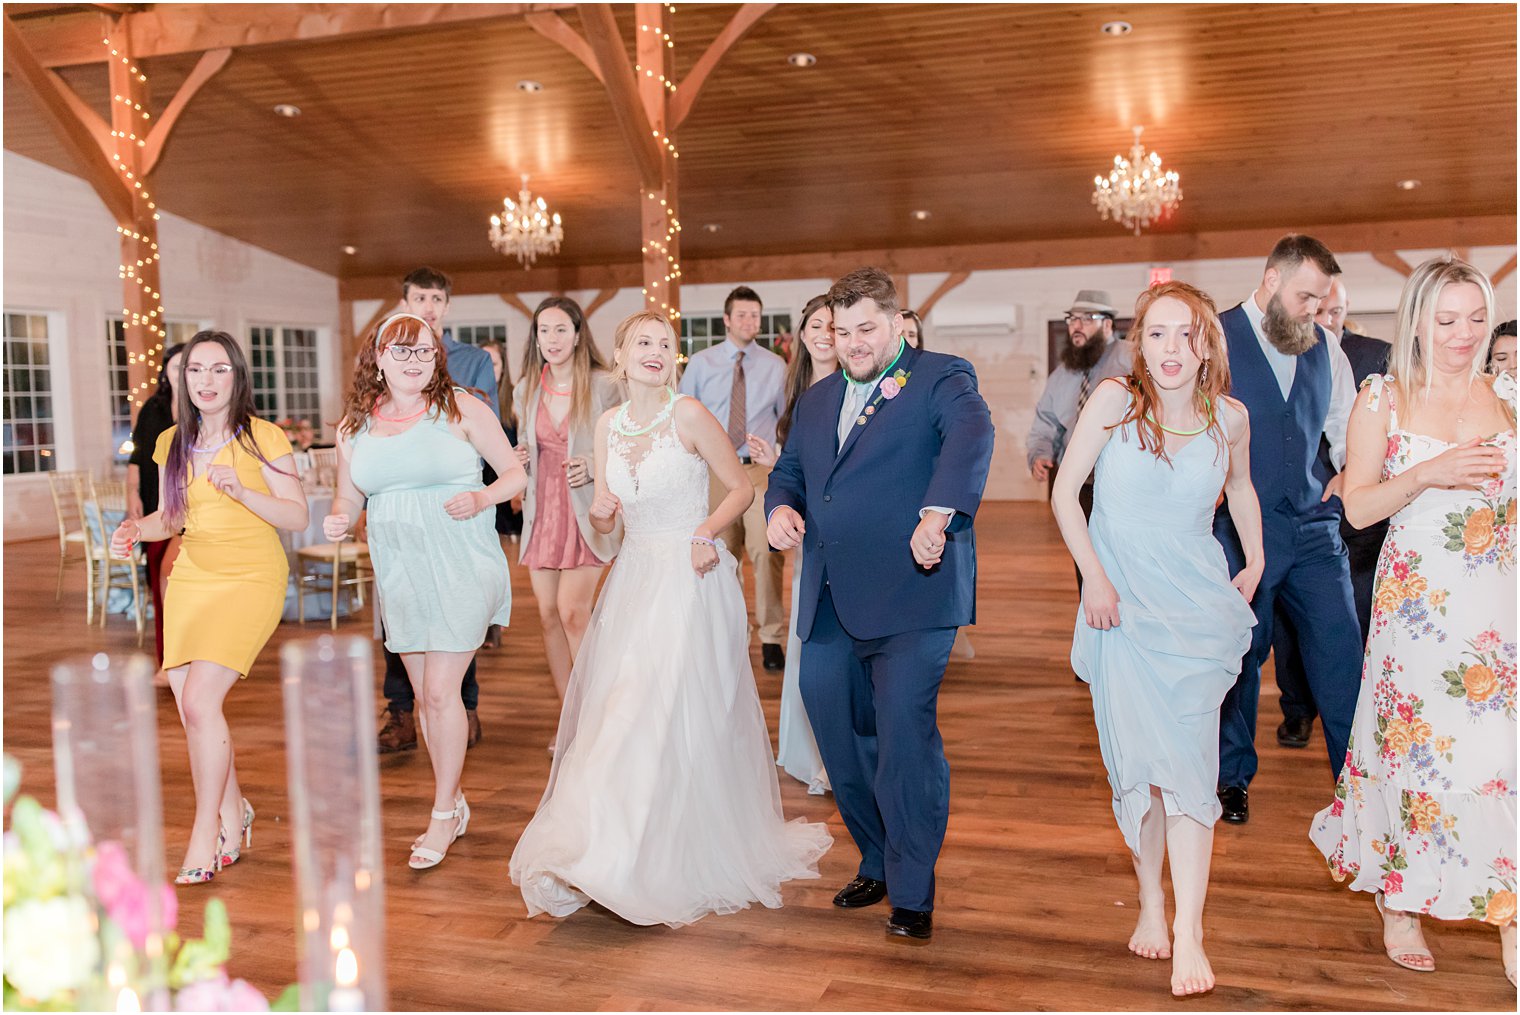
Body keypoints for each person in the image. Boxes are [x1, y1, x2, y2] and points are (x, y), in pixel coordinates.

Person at [510, 310, 831, 926]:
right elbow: (606, 522)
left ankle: (642, 854)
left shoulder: (688, 414)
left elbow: (740, 488)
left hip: (692, 578)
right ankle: (596, 851)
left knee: (667, 714)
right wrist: (600, 511)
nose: (656, 351)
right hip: (633, 578)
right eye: (644, 343)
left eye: (665, 343)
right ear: (622, 356)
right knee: (622, 710)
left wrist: (706, 532)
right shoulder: (607, 424)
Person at [766, 267, 995, 941]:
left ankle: (913, 890)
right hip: (833, 596)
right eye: (843, 331)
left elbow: (969, 438)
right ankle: (876, 853)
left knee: (903, 735)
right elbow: (791, 473)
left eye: (868, 328)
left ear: (897, 323)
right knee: (832, 723)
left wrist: (939, 513)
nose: (855, 342)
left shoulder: (942, 375)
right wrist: (781, 508)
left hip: (913, 591)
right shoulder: (815, 399)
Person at [1310, 256, 1515, 985]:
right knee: (1415, 754)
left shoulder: (1512, 395)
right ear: (1418, 321)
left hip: (1498, 608)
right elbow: (1358, 506)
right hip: (1420, 609)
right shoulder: (1382, 398)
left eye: (1476, 319)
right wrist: (1428, 472)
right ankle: (1401, 899)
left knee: (1499, 758)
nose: (1463, 335)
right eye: (1447, 319)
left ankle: (1511, 915)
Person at [1056, 281, 1261, 998]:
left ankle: (1192, 930)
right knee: (1138, 776)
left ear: (1206, 343)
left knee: (1192, 777)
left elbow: (1240, 488)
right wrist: (1095, 579)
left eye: (1186, 334)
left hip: (1194, 614)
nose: (1172, 349)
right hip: (1121, 611)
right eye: (1158, 335)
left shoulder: (1228, 417)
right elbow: (1064, 493)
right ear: (1138, 343)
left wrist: (1256, 558)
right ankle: (1149, 898)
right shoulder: (1115, 403)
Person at [324, 313, 525, 870]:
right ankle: (452, 797)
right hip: (401, 571)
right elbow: (348, 497)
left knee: (440, 695)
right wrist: (340, 519)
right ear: (379, 358)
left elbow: (514, 475)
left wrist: (482, 499)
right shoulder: (353, 427)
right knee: (427, 698)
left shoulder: (462, 408)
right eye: (402, 351)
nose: (414, 361)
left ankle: (442, 814)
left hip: (463, 560)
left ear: (436, 358)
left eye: (424, 352)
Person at [110, 331, 309, 884]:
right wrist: (133, 530)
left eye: (219, 369)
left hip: (251, 577)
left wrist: (244, 492)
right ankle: (232, 811)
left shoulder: (262, 437)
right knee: (194, 708)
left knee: (200, 701)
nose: (206, 380)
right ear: (182, 379)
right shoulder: (172, 440)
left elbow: (296, 517)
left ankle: (205, 832)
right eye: (196, 369)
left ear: (237, 377)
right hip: (192, 576)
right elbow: (172, 518)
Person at [1212, 234, 1361, 825]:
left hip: (1314, 532)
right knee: (1239, 659)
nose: (1314, 312)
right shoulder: (1213, 338)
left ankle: (1358, 784)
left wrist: (1351, 472)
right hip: (1237, 531)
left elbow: (1346, 423)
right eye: (1305, 297)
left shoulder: (1328, 347)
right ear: (1271, 279)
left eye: (1321, 301)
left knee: (1343, 655)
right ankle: (1231, 779)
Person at [375, 267, 498, 753]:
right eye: (419, 297)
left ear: (447, 306)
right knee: (400, 613)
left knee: (456, 614)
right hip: (400, 510)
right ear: (404, 301)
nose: (428, 305)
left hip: (453, 506)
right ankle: (401, 713)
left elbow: (484, 425)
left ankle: (463, 706)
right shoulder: (388, 354)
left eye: (436, 298)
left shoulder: (470, 361)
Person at [1274, 274, 1392, 749]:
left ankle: (1355, 742)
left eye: (1335, 312)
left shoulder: (1374, 355)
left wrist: (1356, 474)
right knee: (1284, 629)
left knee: (1346, 626)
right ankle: (1297, 710)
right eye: (1318, 311)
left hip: (1358, 518)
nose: (1326, 321)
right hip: (1297, 512)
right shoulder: (1285, 349)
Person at [512, 297, 623, 725]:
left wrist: (595, 467)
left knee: (573, 611)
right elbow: (528, 447)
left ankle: (598, 719)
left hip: (586, 512)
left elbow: (631, 443)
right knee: (547, 616)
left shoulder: (603, 385)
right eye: (544, 330)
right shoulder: (526, 389)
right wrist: (519, 458)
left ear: (578, 334)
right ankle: (570, 717)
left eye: (561, 329)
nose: (552, 339)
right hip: (544, 514)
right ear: (535, 338)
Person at [745, 295, 835, 794]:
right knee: (809, 642)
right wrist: (776, 458)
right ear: (802, 334)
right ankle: (813, 748)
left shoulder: (858, 384)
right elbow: (801, 466)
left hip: (842, 530)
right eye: (816, 326)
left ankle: (838, 750)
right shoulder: (798, 389)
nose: (824, 334)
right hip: (807, 532)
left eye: (833, 325)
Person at [678, 286, 788, 672]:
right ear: (727, 319)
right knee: (721, 556)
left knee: (765, 550)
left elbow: (785, 420)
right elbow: (679, 416)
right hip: (713, 473)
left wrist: (775, 453)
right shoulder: (701, 364)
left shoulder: (775, 366)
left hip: (757, 471)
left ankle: (771, 636)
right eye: (741, 315)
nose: (749, 322)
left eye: (755, 315)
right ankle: (730, 634)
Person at [1028, 290, 1134, 589]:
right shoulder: (1062, 375)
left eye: (1088, 319)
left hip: (1126, 483)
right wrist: (1039, 452)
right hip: (1081, 486)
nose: (1077, 325)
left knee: (1126, 561)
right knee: (1085, 559)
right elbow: (1046, 422)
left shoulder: (1133, 359)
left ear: (1108, 326)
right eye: (1073, 318)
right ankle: (1094, 617)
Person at [126, 342, 187, 683]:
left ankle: (186, 657)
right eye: (175, 367)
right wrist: (132, 493)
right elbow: (137, 458)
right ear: (166, 371)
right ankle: (167, 659)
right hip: (156, 508)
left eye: (186, 367)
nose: (179, 373)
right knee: (160, 589)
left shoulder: (204, 407)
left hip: (191, 513)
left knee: (176, 584)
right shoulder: (154, 408)